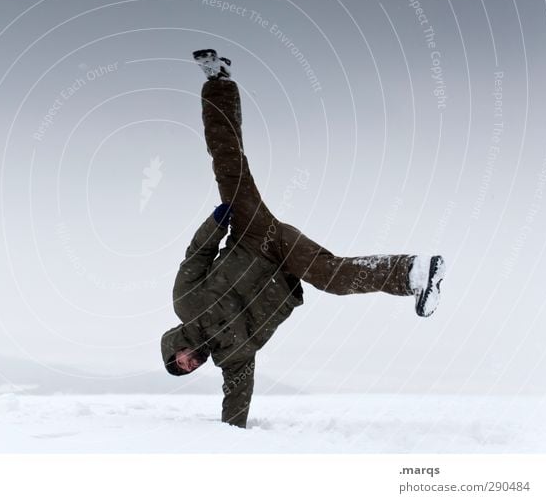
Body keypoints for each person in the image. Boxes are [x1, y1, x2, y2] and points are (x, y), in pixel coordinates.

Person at [160, 49, 446, 428]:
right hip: (285, 270)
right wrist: (230, 436)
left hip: (253, 235)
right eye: (188, 369)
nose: (189, 362)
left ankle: (218, 81)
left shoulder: (185, 302)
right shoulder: (235, 357)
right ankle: (415, 273)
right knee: (333, 278)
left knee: (228, 167)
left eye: (180, 361)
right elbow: (237, 396)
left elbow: (196, 255)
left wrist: (216, 222)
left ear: (173, 347)